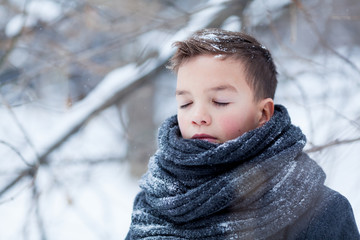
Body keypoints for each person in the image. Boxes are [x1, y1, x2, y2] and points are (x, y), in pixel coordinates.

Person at [126, 28, 359, 239]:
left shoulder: (320, 212)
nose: (198, 116)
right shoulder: (153, 202)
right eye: (186, 103)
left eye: (220, 101)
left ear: (263, 113)